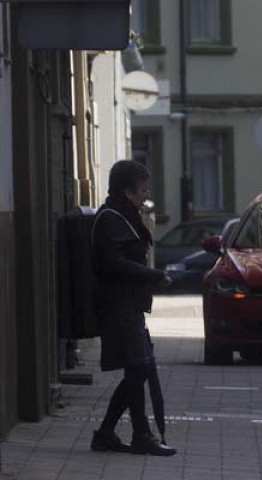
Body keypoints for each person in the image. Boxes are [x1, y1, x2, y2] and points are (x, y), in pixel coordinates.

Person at [90, 160, 176, 457]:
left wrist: (148, 277)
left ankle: (106, 433)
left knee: (137, 369)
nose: (146, 192)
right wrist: (150, 275)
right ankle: (140, 435)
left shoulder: (124, 216)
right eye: (143, 187)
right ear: (127, 189)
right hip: (118, 306)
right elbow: (112, 263)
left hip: (129, 305)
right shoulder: (112, 218)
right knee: (138, 368)